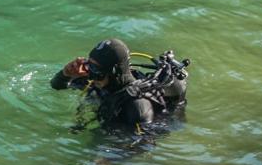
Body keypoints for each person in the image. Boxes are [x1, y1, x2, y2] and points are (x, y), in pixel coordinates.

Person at [51, 38, 187, 132]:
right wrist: (66, 73)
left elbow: (143, 144)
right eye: (89, 66)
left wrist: (108, 160)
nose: (90, 76)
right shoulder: (99, 80)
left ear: (114, 71)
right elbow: (56, 87)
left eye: (96, 70)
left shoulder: (137, 106)